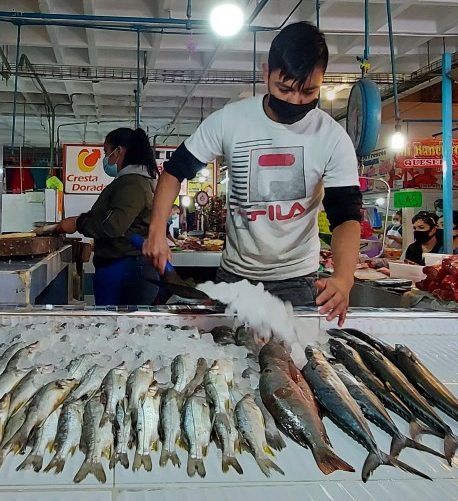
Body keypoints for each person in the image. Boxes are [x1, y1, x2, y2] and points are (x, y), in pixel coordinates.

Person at [142, 22, 361, 326]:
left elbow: (346, 217)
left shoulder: (333, 138)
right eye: (283, 88)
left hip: (296, 282)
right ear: (265, 72)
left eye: (308, 91)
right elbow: (174, 172)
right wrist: (156, 231)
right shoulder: (230, 120)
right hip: (234, 278)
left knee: (291, 369)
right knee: (225, 366)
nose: (294, 100)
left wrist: (344, 278)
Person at [56, 128, 160, 306]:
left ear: (119, 151)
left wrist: (78, 223)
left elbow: (114, 225)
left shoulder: (133, 183)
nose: (105, 158)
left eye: (106, 152)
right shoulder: (131, 181)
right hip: (119, 265)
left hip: (125, 268)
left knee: (118, 326)